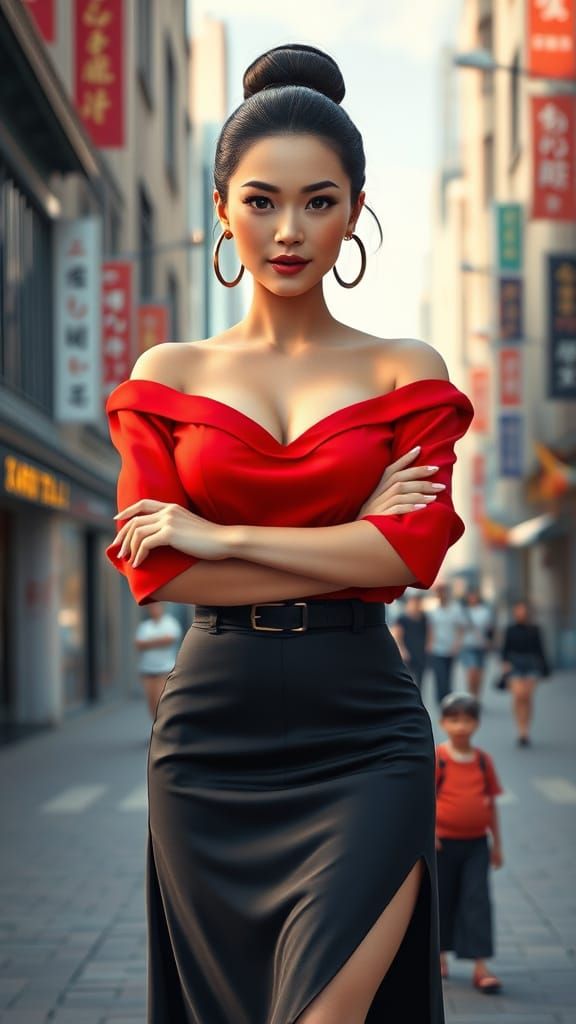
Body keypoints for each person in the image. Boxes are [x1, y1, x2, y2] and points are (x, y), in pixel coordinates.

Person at [105, 44, 474, 1024]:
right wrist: (347, 536)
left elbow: (411, 555)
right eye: (262, 200)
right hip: (209, 741)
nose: (289, 229)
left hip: (367, 732)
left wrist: (220, 538)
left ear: (356, 208)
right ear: (221, 207)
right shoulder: (167, 373)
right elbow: (159, 576)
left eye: (319, 200)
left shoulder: (406, 368)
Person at [435, 693, 504, 994]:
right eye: (454, 719)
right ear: (443, 723)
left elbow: (491, 804)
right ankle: (438, 957)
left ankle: (480, 966)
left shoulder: (482, 761)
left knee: (477, 902)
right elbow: (422, 800)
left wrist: (497, 844)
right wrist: (428, 833)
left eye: (467, 719)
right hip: (442, 844)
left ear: (477, 723)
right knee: (441, 899)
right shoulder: (438, 759)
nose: (461, 726)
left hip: (477, 844)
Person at [501, 599, 550, 747]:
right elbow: (505, 648)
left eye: (524, 610)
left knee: (527, 697)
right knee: (518, 696)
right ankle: (520, 729)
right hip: (514, 664)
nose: (521, 613)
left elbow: (540, 649)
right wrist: (504, 663)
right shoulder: (510, 629)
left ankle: (526, 730)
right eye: (518, 610)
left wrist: (545, 668)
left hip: (531, 665)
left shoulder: (535, 629)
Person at [134, 601, 183, 718]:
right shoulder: (145, 626)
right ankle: (156, 730)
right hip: (147, 670)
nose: (154, 609)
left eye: (156, 607)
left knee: (160, 702)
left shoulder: (170, 623)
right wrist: (159, 641)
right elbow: (138, 644)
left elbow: (169, 640)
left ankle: (162, 732)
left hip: (164, 670)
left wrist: (149, 642)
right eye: (151, 607)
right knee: (151, 704)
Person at [426, 582, 467, 704]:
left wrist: (457, 644)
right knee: (439, 675)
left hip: (450, 648)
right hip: (437, 648)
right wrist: (429, 643)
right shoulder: (433, 609)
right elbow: (431, 628)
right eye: (438, 593)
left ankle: (447, 698)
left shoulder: (456, 609)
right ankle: (440, 700)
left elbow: (461, 628)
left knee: (448, 676)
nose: (440, 595)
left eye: (443, 592)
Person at [458, 588, 494, 699]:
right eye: (470, 596)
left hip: (482, 646)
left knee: (479, 675)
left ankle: (476, 698)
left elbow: (491, 629)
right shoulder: (463, 612)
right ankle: (471, 697)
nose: (472, 598)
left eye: (474, 595)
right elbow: (459, 629)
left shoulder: (485, 611)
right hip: (468, 646)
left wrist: (491, 641)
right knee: (471, 674)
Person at [390, 592, 429, 689]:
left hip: (420, 651)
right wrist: (402, 650)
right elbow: (397, 635)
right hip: (408, 652)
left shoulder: (424, 617)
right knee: (408, 680)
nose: (416, 604)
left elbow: (429, 631)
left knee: (420, 680)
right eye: (414, 601)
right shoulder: (402, 618)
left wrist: (428, 646)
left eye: (418, 602)